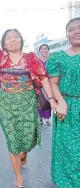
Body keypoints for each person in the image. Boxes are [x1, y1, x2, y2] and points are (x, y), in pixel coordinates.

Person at [0, 29, 57, 187]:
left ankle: (24, 153)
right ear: (4, 43)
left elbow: (43, 77)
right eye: (8, 38)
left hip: (27, 102)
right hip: (6, 103)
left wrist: (52, 100)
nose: (12, 40)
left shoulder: (30, 57)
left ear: (21, 40)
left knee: (29, 138)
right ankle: (18, 176)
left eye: (16, 37)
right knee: (12, 140)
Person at [46, 18, 80, 188]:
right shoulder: (58, 57)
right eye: (71, 29)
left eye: (79, 28)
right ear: (66, 34)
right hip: (68, 106)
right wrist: (61, 102)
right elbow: (53, 83)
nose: (76, 31)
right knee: (69, 150)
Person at [38, 44, 52, 126]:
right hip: (38, 84)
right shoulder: (36, 61)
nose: (44, 50)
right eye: (42, 49)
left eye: (46, 48)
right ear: (39, 51)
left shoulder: (51, 60)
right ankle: (40, 117)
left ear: (48, 50)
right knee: (39, 101)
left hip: (49, 84)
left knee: (48, 100)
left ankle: (47, 118)